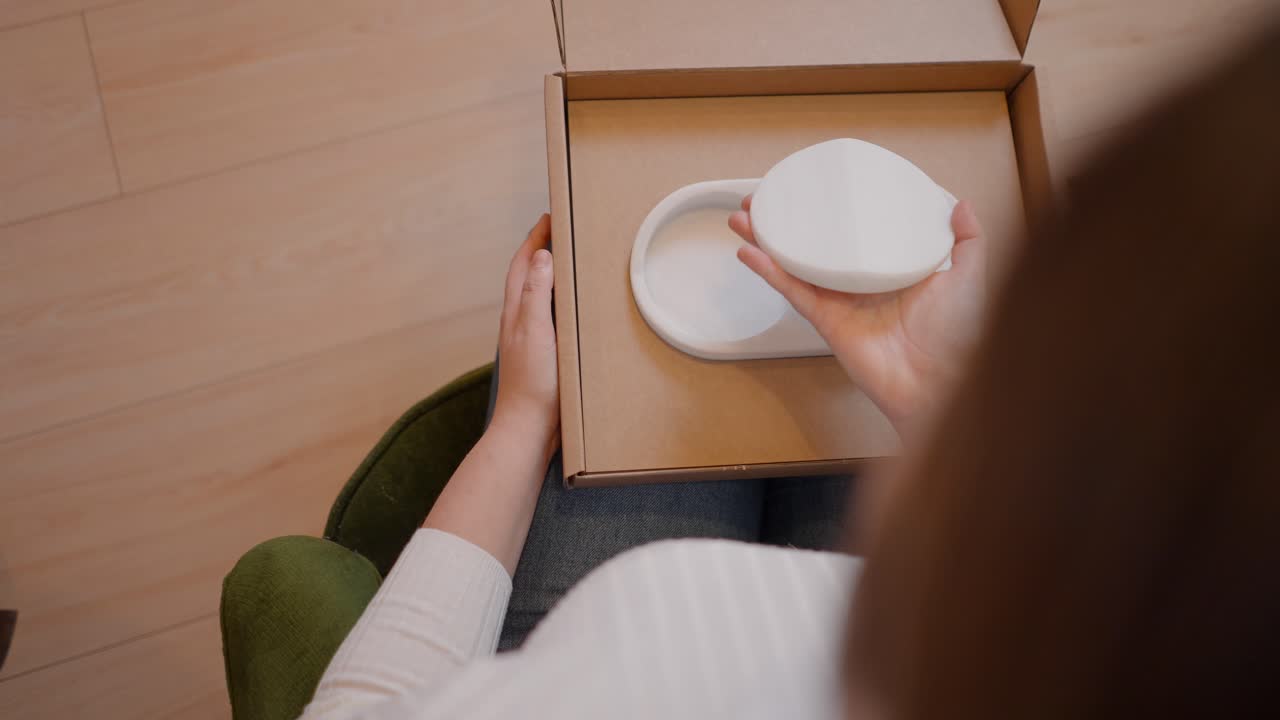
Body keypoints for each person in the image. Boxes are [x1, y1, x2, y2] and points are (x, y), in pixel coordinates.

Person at [299, 22, 1280, 720]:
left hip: (606, 646)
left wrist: (523, 422)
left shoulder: (617, 669)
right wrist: (926, 398)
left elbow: (369, 702)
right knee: (793, 419)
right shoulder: (1077, 639)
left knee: (699, 415)